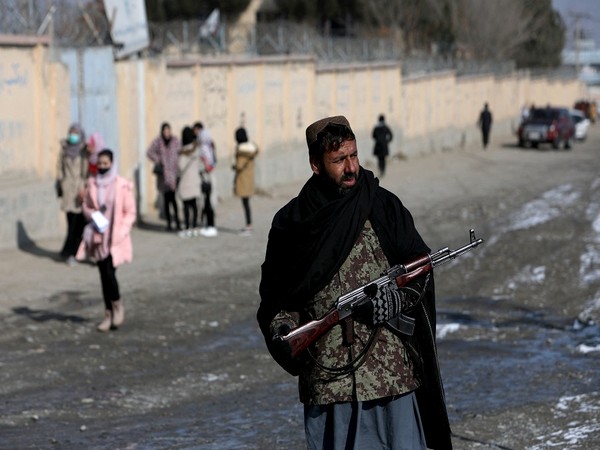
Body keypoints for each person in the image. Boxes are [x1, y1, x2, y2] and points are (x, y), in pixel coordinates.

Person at [257, 115, 452, 449]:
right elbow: (277, 298)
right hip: (328, 380)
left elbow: (420, 267)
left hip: (390, 375)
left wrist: (397, 300)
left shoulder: (383, 205)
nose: (350, 168)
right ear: (315, 165)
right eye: (338, 160)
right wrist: (283, 330)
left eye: (353, 156)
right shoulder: (293, 224)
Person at [77, 149, 136, 332]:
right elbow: (86, 206)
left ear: (112, 163)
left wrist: (122, 230)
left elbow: (130, 212)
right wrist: (93, 214)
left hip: (115, 237)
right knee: (103, 275)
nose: (102, 167)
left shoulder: (121, 185)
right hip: (98, 236)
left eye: (106, 163)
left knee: (110, 273)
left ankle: (118, 306)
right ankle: (108, 314)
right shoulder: (92, 184)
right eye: (100, 163)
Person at [56, 123, 88, 266]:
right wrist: (62, 182)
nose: (73, 136)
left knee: (79, 225)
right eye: (71, 132)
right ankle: (69, 252)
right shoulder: (64, 150)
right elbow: (59, 168)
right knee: (71, 224)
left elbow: (86, 172)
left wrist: (84, 189)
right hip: (68, 191)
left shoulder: (83, 151)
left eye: (76, 133)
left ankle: (72, 252)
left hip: (79, 192)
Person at [146, 122, 181, 231]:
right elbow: (149, 152)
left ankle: (177, 222)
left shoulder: (175, 141)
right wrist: (158, 160)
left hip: (173, 174)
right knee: (166, 200)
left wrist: (178, 164)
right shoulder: (158, 142)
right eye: (164, 131)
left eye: (168, 131)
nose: (166, 133)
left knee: (174, 199)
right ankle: (169, 223)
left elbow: (181, 152)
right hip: (163, 176)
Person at [232, 126, 259, 236]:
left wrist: (234, 166)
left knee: (246, 204)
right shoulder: (251, 148)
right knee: (247, 203)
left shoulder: (242, 151)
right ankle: (249, 225)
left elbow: (239, 166)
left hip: (243, 180)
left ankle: (249, 226)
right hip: (250, 179)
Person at [194, 122, 217, 237]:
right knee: (208, 202)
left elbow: (206, 165)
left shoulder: (203, 148)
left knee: (206, 202)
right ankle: (209, 224)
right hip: (210, 176)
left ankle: (208, 225)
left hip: (206, 177)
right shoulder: (210, 146)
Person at [177, 126, 201, 238]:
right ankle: (195, 227)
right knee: (194, 205)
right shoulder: (196, 150)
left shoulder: (183, 153)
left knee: (186, 205)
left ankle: (187, 227)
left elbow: (180, 167)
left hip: (186, 182)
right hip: (195, 180)